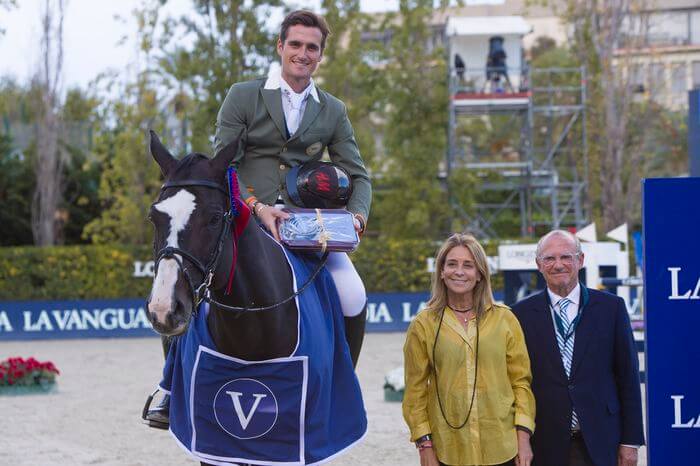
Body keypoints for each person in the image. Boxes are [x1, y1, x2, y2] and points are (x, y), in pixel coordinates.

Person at [145, 9, 371, 427]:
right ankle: (169, 387)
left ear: (320, 55)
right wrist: (257, 206)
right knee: (195, 280)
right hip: (247, 216)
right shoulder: (243, 95)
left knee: (353, 292)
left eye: (312, 47)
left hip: (306, 223)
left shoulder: (333, 110)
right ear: (281, 46)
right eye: (296, 45)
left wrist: (356, 215)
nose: (303, 54)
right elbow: (222, 165)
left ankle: (341, 383)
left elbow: (357, 173)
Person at [511, 230, 644, 466]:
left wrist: (630, 441)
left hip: (602, 440)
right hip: (544, 442)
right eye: (549, 259)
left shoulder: (611, 308)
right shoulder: (519, 314)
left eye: (566, 257)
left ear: (580, 260)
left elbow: (628, 377)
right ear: (538, 265)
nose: (558, 264)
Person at [403, 233, 535, 466]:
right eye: (451, 264)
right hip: (448, 450)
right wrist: (424, 445)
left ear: (480, 274)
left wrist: (523, 439)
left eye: (468, 265)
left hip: (502, 448)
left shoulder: (505, 319)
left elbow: (521, 382)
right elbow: (415, 391)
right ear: (441, 272)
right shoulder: (423, 324)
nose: (459, 271)